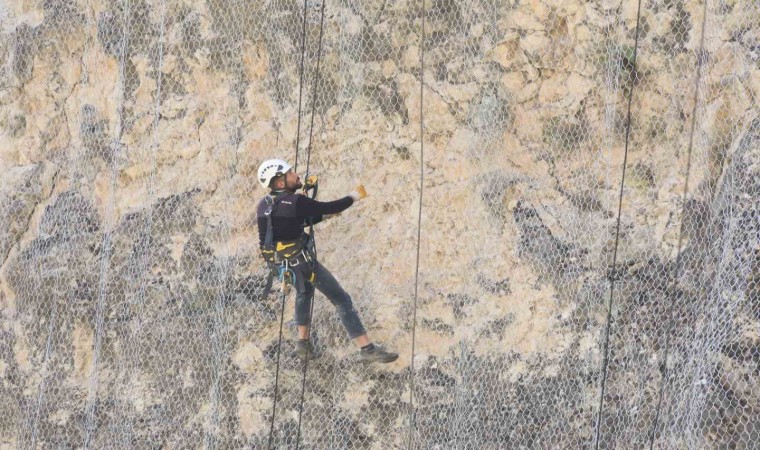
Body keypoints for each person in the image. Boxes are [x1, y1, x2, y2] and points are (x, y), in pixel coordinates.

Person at [256, 158, 398, 364]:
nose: (296, 175)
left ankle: (302, 343)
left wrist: (320, 216)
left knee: (304, 292)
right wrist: (355, 196)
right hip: (302, 262)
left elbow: (291, 223)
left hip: (281, 265)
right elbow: (331, 206)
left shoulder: (264, 205)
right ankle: (366, 348)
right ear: (280, 183)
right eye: (290, 174)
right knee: (341, 299)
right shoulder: (297, 202)